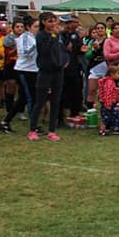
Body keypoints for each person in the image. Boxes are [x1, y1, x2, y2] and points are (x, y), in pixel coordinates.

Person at [29, 12, 67, 141]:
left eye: (54, 21)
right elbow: (44, 50)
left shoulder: (58, 36)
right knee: (40, 101)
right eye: (50, 21)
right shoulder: (41, 35)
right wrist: (53, 35)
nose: (53, 24)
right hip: (45, 71)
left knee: (55, 101)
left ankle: (52, 130)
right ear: (44, 22)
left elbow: (62, 49)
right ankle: (32, 129)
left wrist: (64, 61)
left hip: (58, 71)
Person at [98, 64, 119, 135]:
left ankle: (117, 128)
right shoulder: (109, 82)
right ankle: (102, 130)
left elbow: (113, 91)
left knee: (114, 116)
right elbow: (108, 94)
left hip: (112, 103)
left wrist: (118, 92)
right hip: (108, 104)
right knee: (106, 118)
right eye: (118, 74)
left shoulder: (111, 82)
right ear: (112, 74)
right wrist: (108, 104)